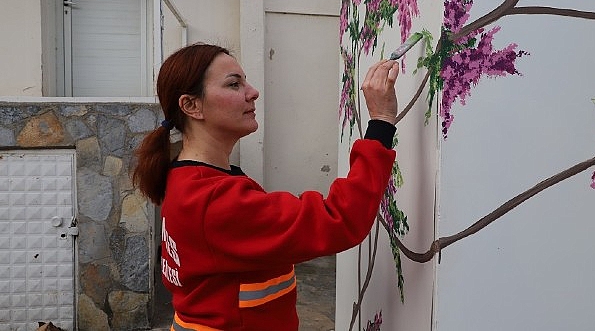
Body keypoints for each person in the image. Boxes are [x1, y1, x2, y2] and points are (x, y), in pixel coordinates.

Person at [132, 43, 399, 330]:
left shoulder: (188, 180)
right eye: (234, 84)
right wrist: (381, 122)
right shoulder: (214, 199)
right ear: (192, 106)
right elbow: (340, 219)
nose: (252, 92)